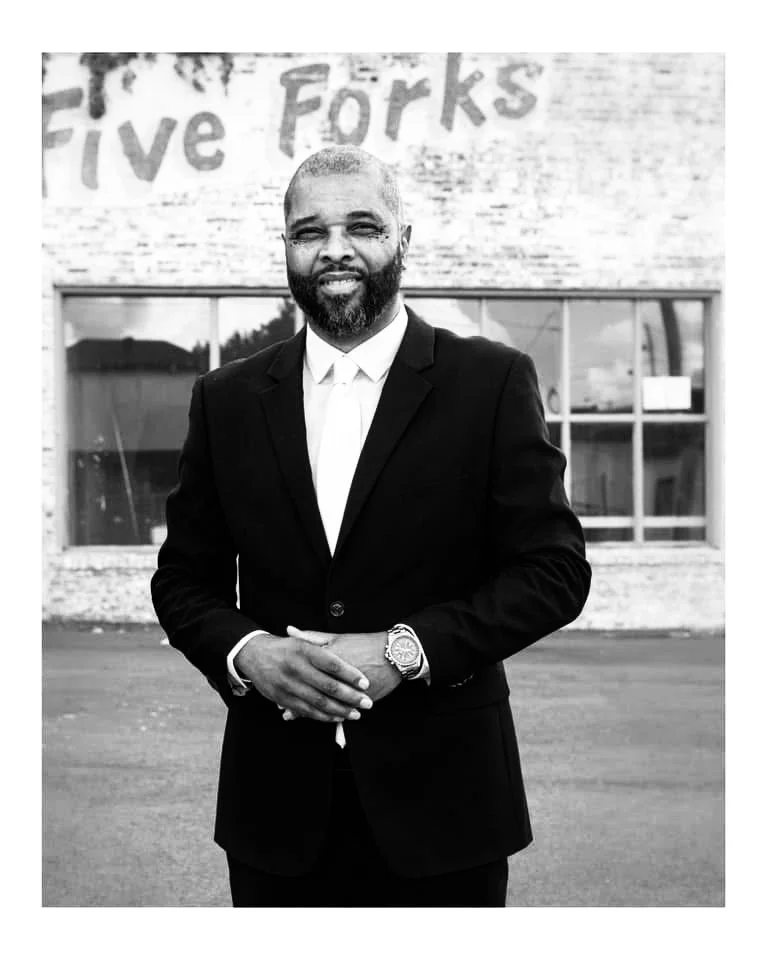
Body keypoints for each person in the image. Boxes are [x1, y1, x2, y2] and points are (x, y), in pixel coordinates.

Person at [151, 145, 591, 907]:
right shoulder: (225, 399)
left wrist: (408, 650)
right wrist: (249, 653)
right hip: (276, 811)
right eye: (309, 232)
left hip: (449, 806)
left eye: (362, 225)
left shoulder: (490, 382)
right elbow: (184, 580)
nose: (335, 250)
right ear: (286, 247)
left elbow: (553, 570)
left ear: (404, 239)